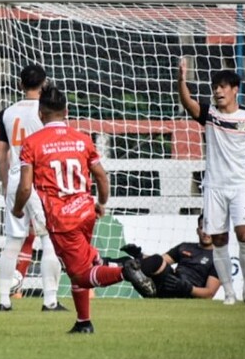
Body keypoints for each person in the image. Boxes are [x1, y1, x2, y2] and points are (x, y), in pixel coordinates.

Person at [12, 84, 156, 334]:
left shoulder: (32, 143)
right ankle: (83, 322)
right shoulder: (82, 139)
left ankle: (125, 271)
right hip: (85, 211)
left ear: (40, 114)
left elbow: (25, 188)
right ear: (66, 111)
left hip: (61, 219)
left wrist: (16, 209)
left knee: (80, 275)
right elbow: (101, 176)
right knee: (77, 265)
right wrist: (101, 203)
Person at [177, 59, 245, 305]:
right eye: (215, 87)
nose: (218, 91)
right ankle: (229, 293)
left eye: (222, 87)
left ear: (234, 90)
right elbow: (188, 104)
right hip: (214, 188)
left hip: (241, 186)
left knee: (244, 234)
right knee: (219, 240)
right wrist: (181, 80)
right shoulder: (210, 114)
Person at [0, 64, 66, 312]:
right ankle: (50, 300)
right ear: (44, 84)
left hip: (15, 178)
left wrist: (5, 183)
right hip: (39, 180)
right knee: (49, 239)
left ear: (20, 85)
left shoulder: (6, 112)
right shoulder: (48, 111)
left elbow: (1, 151)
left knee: (13, 240)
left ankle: (3, 300)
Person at [114, 214, 220, 299]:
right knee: (135, 261)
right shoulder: (185, 246)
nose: (206, 232)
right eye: (203, 228)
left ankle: (119, 269)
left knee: (134, 266)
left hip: (186, 292)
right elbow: (158, 262)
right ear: (198, 231)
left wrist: (188, 288)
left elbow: (210, 293)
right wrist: (139, 255)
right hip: (170, 282)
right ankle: (113, 265)